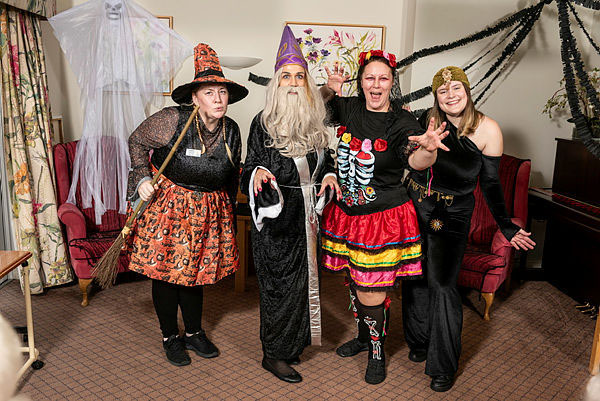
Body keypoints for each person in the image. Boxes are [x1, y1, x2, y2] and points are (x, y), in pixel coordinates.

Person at [402, 66, 536, 392]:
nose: (450, 96)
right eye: (443, 91)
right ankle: (419, 341)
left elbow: (490, 184)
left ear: (467, 89)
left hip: (452, 213)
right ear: (436, 96)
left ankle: (444, 365)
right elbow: (410, 163)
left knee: (444, 282)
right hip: (417, 205)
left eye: (456, 89)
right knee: (414, 275)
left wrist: (505, 225)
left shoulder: (489, 129)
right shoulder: (427, 121)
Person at [320, 50, 450, 385]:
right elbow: (314, 111)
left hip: (381, 218)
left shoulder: (401, 122)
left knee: (372, 288)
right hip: (347, 213)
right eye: (369, 78)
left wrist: (429, 148)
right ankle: (364, 337)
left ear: (392, 83)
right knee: (354, 279)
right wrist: (329, 90)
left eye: (383, 78)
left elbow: (415, 159)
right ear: (361, 82)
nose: (376, 85)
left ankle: (377, 352)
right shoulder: (348, 107)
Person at [126, 43, 248, 367]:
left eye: (222, 92)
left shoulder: (232, 130)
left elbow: (233, 172)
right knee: (166, 274)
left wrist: (231, 212)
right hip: (170, 206)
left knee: (195, 273)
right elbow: (136, 141)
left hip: (210, 210)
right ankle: (170, 336)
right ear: (195, 97)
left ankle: (193, 332)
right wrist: (141, 179)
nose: (218, 99)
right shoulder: (172, 119)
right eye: (210, 93)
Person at [240, 25, 340, 384]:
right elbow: (251, 164)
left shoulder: (316, 121)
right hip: (278, 219)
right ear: (277, 82)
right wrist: (258, 175)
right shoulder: (263, 123)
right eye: (287, 76)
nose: (294, 82)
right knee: (278, 286)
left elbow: (324, 162)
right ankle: (274, 354)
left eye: (300, 76)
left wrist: (328, 176)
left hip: (307, 217)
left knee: (303, 282)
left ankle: (293, 343)